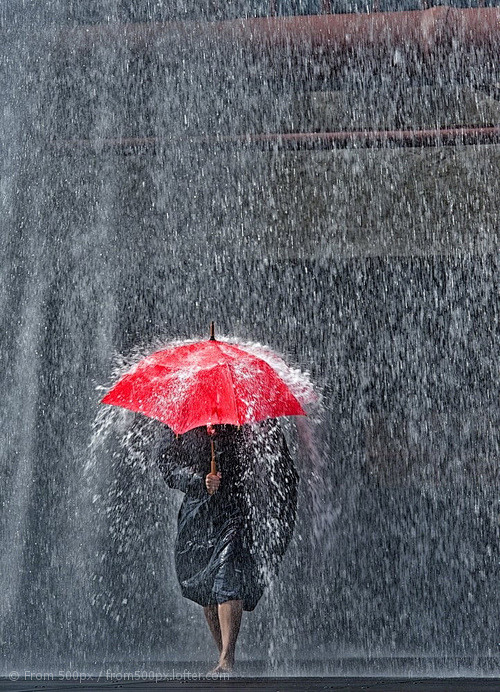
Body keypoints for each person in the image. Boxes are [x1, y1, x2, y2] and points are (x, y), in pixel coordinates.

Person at [154, 420, 298, 673]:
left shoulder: (241, 418)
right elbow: (167, 466)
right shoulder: (177, 423)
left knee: (228, 575)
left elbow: (265, 457)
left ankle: (227, 658)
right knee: (205, 584)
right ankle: (223, 651)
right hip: (197, 515)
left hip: (234, 509)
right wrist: (200, 480)